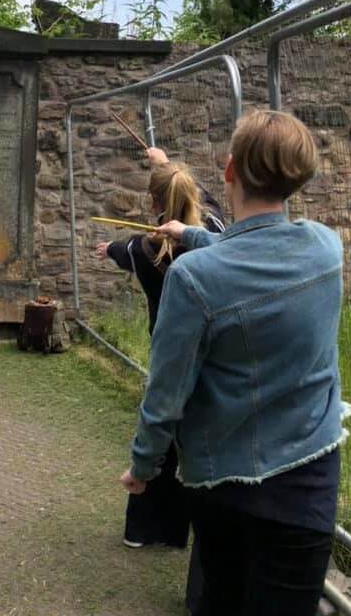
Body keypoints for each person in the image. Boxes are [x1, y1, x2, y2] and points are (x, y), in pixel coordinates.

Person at [120, 110, 344, 616]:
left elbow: (166, 391)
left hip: (225, 489)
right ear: (300, 176)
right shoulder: (327, 248)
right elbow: (258, 248)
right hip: (309, 485)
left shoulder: (194, 279)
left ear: (229, 170)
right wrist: (193, 233)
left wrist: (144, 466)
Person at [95, 146, 225, 551]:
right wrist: (165, 167)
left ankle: (143, 530)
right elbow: (204, 205)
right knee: (191, 440)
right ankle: (176, 533)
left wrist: (106, 249)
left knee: (160, 435)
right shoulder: (217, 236)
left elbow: (118, 251)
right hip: (211, 357)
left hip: (169, 354)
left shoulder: (143, 249)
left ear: (153, 203)